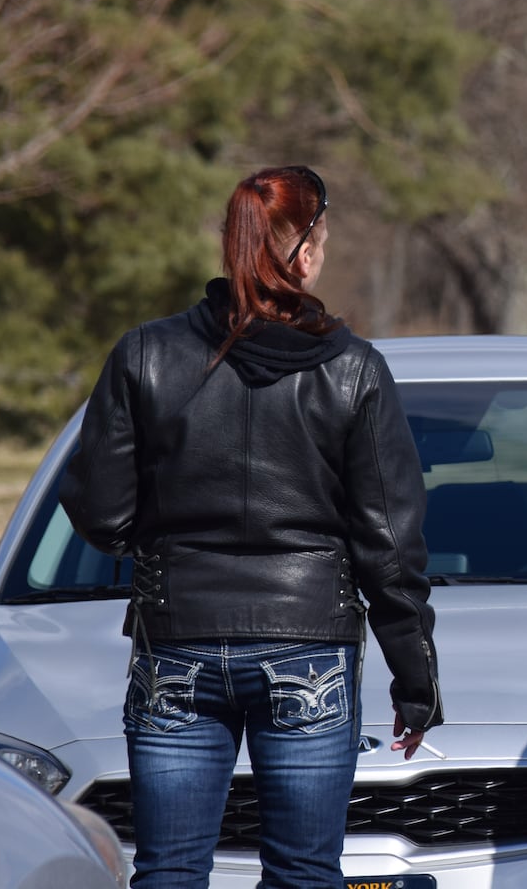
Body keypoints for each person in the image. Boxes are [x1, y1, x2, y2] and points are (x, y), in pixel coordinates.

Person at [60, 165, 442, 889]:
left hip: (177, 644)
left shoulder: (145, 353)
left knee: (169, 871)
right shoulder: (354, 370)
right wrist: (416, 676)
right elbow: (388, 545)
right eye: (321, 242)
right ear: (302, 254)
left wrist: (167, 538)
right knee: (303, 874)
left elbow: (102, 516)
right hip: (309, 648)